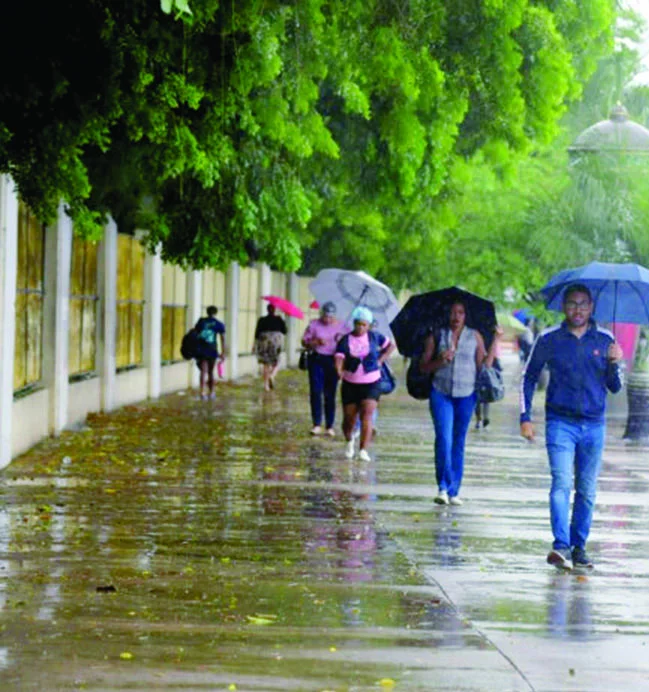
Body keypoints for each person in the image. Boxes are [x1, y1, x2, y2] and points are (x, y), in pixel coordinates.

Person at [520, 283, 623, 571]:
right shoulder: (550, 338)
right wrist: (525, 417)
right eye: (572, 304)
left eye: (583, 304)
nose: (577, 309)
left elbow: (615, 387)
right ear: (564, 307)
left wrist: (614, 363)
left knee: (587, 490)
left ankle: (579, 547)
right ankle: (560, 545)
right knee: (562, 483)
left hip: (594, 426)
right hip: (560, 423)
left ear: (592, 308)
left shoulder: (605, 340)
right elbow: (528, 377)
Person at [420, 300, 502, 506]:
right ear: (446, 315)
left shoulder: (474, 336)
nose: (456, 317)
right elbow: (423, 367)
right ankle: (443, 487)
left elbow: (484, 366)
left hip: (467, 395)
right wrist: (440, 360)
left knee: (458, 442)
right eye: (452, 312)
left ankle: (454, 490)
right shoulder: (436, 335)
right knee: (444, 439)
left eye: (461, 313)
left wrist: (496, 341)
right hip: (441, 393)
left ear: (466, 316)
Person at [335, 307, 395, 462]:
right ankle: (349, 440)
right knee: (349, 418)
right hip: (350, 383)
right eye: (358, 324)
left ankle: (363, 449)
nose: (361, 327)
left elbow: (390, 346)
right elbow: (339, 357)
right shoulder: (345, 339)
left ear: (368, 325)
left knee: (367, 415)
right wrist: (339, 370)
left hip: (371, 382)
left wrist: (380, 360)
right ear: (354, 324)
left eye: (364, 324)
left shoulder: (375, 337)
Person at [301, 301, 348, 436]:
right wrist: (315, 342)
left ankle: (329, 425)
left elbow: (349, 343)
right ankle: (316, 423)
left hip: (333, 361)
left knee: (330, 393)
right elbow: (304, 342)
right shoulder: (314, 324)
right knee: (316, 391)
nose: (327, 319)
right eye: (325, 316)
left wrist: (341, 340)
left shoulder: (343, 326)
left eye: (330, 317)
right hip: (317, 359)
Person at [194, 306, 226, 400]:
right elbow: (222, 338)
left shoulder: (201, 322)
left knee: (203, 371)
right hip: (212, 350)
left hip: (202, 350)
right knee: (211, 372)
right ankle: (211, 392)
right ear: (216, 313)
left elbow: (195, 334)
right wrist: (223, 352)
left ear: (207, 312)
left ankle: (202, 392)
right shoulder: (218, 324)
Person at [254, 304, 287, 391]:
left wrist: (254, 345)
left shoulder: (261, 320)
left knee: (266, 364)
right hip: (275, 342)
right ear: (274, 310)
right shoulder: (279, 319)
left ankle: (266, 386)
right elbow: (285, 331)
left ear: (267, 310)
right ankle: (272, 375)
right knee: (276, 361)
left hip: (263, 342)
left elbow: (257, 333)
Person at [474, 356, 502, 429]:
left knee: (484, 397)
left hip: (486, 374)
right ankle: (480, 418)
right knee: (479, 398)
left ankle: (483, 418)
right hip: (478, 372)